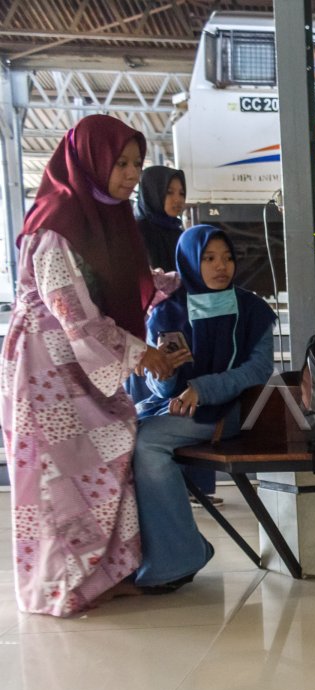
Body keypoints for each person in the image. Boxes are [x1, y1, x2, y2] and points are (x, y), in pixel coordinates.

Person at [0, 114, 182, 617]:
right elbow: (73, 313)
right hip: (47, 370)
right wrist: (139, 353)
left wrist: (165, 283)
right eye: (120, 163)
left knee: (104, 465)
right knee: (58, 478)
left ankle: (101, 576)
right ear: (90, 160)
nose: (129, 174)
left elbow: (112, 282)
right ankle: (57, 587)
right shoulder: (57, 222)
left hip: (81, 367)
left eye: (136, 164)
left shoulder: (104, 216)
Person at [132, 224, 275, 592]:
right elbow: (156, 383)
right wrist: (168, 374)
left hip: (228, 413)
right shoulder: (165, 314)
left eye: (227, 257)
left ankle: (178, 557)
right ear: (190, 262)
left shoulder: (252, 310)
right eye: (208, 258)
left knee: (146, 444)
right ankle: (136, 558)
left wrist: (202, 388)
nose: (220, 266)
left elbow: (258, 369)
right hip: (173, 410)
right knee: (119, 438)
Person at [132, 165, 224, 507]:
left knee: (189, 401)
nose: (177, 200)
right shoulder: (137, 232)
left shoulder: (181, 233)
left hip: (186, 328)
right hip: (150, 336)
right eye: (169, 193)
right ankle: (162, 492)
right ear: (153, 193)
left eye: (181, 193)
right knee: (157, 401)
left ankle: (197, 489)